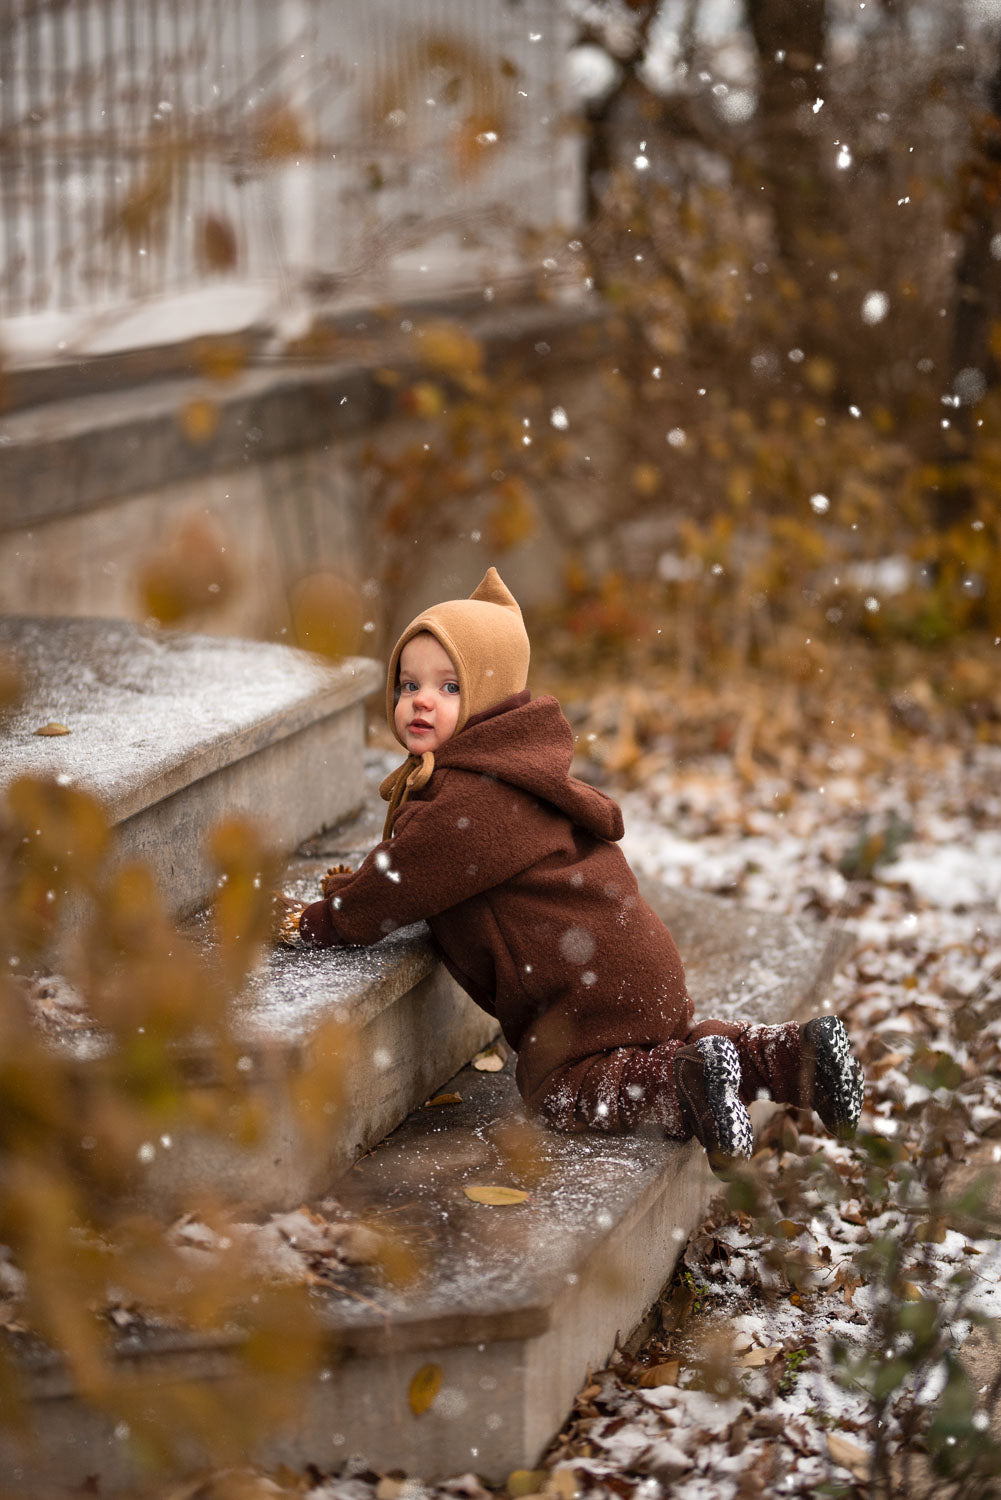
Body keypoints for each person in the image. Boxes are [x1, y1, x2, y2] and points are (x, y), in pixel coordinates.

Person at [298, 569, 863, 1172]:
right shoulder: (512, 772)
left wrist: (331, 918)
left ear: (489, 697)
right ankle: (793, 1057)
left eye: (450, 687)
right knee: (659, 1046)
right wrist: (355, 880)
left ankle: (682, 1085)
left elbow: (404, 877)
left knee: (564, 1090)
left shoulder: (471, 799)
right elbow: (418, 856)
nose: (421, 700)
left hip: (582, 991)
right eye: (408, 683)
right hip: (631, 963)